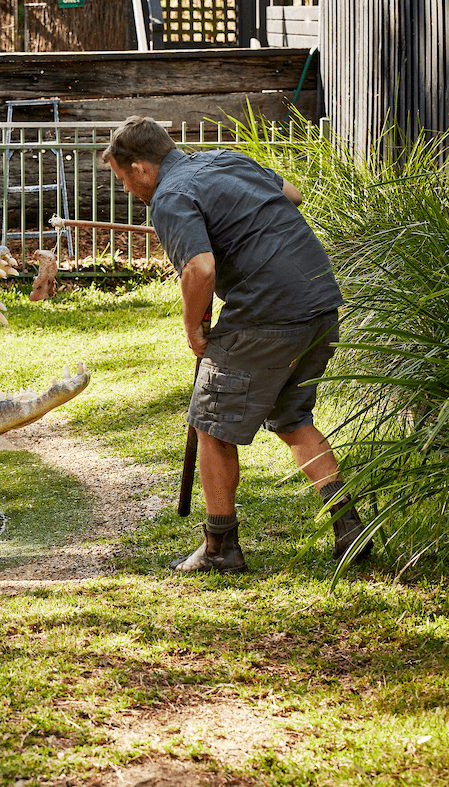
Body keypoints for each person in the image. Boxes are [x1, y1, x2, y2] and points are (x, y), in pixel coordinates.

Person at [101, 116, 371, 573]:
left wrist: (192, 326)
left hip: (267, 312)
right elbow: (292, 195)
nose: (127, 189)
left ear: (142, 167)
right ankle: (351, 529)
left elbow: (201, 269)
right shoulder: (227, 160)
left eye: (124, 178)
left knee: (212, 423)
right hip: (319, 300)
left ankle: (220, 548)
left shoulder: (169, 196)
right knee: (291, 417)